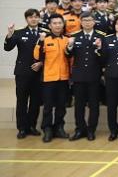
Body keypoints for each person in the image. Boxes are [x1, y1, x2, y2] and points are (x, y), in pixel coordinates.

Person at [4, 9, 45, 138]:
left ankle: (32, 126)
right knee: (22, 101)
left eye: (36, 17)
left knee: (35, 101)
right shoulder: (19, 32)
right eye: (30, 17)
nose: (33, 19)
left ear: (39, 18)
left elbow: (49, 53)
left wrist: (41, 63)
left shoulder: (45, 33)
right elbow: (7, 48)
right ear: (26, 19)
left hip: (39, 73)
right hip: (22, 72)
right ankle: (22, 128)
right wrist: (10, 34)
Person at [66, 12, 105, 141]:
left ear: (94, 22)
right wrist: (70, 46)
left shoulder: (101, 36)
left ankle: (91, 130)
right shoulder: (74, 36)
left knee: (94, 105)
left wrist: (100, 48)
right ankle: (80, 129)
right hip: (79, 76)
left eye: (90, 20)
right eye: (85, 20)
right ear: (81, 22)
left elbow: (104, 58)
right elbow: (68, 55)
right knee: (79, 105)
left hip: (94, 76)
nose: (87, 22)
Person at [33, 13, 71, 142]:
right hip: (48, 79)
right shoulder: (45, 39)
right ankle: (47, 129)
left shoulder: (67, 39)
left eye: (60, 23)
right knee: (48, 106)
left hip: (64, 78)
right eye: (54, 23)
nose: (57, 25)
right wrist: (40, 41)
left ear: (63, 24)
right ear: (49, 25)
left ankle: (59, 128)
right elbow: (36, 56)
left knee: (61, 106)